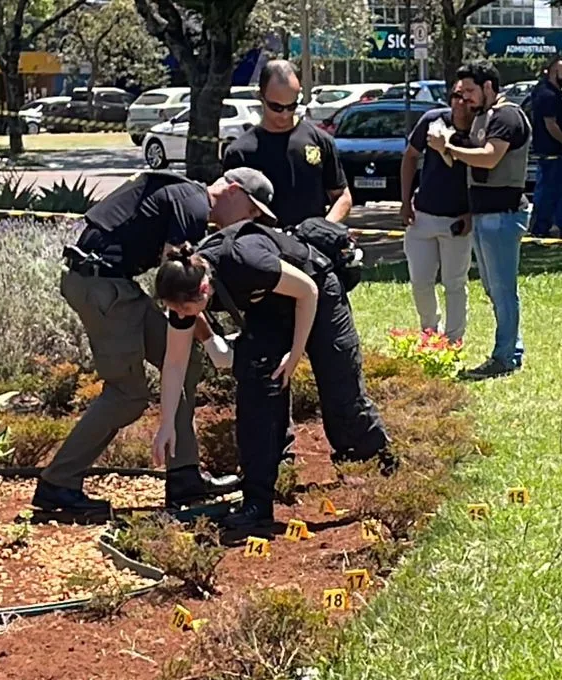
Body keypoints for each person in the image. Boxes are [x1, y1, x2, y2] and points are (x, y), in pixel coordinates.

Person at [150, 172, 387, 537]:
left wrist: (294, 356)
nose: (183, 318)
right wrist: (166, 424)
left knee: (340, 390)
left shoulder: (245, 259)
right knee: (256, 391)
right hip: (268, 307)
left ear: (204, 287)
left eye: (186, 310)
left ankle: (384, 468)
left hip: (316, 290)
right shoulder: (184, 291)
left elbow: (307, 292)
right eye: (177, 312)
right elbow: (175, 362)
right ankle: (257, 503)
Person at [33, 170, 241, 521]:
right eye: (250, 213)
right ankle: (59, 483)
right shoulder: (193, 204)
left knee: (185, 363)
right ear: (235, 192)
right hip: (103, 288)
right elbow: (179, 290)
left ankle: (184, 477)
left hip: (115, 285)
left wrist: (206, 342)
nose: (245, 224)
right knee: (127, 394)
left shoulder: (184, 195)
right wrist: (214, 341)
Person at [429, 61, 532, 380]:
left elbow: (489, 156)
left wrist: (447, 147)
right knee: (493, 287)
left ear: (489, 87)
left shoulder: (507, 116)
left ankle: (506, 357)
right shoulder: (482, 118)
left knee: (502, 289)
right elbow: (461, 161)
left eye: (471, 91)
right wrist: (446, 141)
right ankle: (509, 350)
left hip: (503, 214)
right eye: (461, 93)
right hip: (485, 214)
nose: (467, 99)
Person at [221, 60, 352, 226]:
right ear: (261, 97)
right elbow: (229, 210)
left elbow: (342, 196)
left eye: (291, 106)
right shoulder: (240, 151)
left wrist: (324, 228)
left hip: (311, 247)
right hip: (261, 247)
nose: (284, 115)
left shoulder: (320, 141)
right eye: (276, 107)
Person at [401, 89, 475, 341]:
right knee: (421, 281)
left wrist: (471, 212)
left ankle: (454, 340)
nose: (460, 102)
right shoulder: (433, 120)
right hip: (422, 215)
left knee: (454, 283)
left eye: (466, 97)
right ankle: (429, 333)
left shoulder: (479, 130)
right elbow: (410, 156)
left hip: (458, 220)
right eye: (456, 96)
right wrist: (404, 202)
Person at [528, 57, 562, 239]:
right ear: (554, 72)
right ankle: (541, 226)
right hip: (549, 149)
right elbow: (551, 124)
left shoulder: (554, 92)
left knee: (558, 189)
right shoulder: (547, 94)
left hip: (555, 150)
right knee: (547, 190)